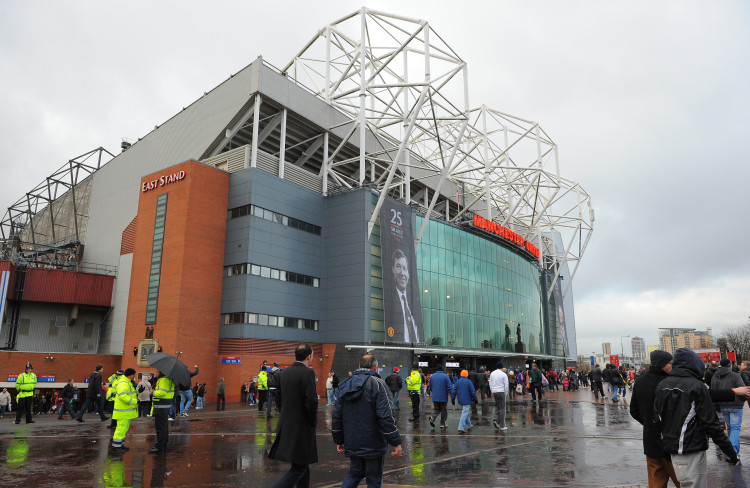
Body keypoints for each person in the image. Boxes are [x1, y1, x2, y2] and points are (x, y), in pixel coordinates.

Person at [654, 348, 738, 487]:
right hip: (691, 448)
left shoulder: (662, 385)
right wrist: (731, 452)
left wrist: (664, 445)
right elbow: (711, 423)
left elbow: (656, 419)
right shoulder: (697, 386)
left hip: (673, 449)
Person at [332, 353, 402, 487]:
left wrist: (339, 439)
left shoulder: (346, 384)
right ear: (375, 368)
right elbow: (386, 417)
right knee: (374, 478)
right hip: (374, 443)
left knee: (355, 473)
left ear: (359, 366)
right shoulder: (378, 384)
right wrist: (396, 442)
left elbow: (337, 415)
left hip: (352, 441)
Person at [269, 344, 318, 488]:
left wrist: (285, 414)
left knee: (302, 463)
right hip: (301, 427)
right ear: (308, 356)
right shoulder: (308, 373)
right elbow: (311, 401)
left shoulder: (284, 372)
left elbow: (278, 398)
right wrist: (312, 421)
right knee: (299, 467)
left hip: (286, 424)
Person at [629, 350, 680, 488]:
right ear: (661, 364)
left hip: (650, 440)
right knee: (683, 481)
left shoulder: (640, 381)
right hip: (671, 441)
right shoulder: (670, 382)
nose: (672, 365)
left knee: (656, 482)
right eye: (670, 363)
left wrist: (649, 422)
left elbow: (634, 410)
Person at [385, 249, 422, 343]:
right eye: (398, 267)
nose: (402, 273)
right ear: (393, 269)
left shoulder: (414, 304)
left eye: (404, 268)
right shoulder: (389, 302)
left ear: (408, 274)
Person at [711, 358, 745, 456]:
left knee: (730, 428)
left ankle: (731, 450)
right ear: (730, 366)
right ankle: (733, 451)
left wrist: (717, 406)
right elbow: (743, 390)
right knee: (735, 428)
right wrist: (743, 400)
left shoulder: (715, 376)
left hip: (723, 405)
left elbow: (713, 393)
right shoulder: (735, 376)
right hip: (735, 405)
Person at [149, 369, 175, 454]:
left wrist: (153, 392)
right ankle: (162, 445)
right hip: (163, 407)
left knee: (160, 428)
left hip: (160, 407)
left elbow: (162, 392)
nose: (156, 373)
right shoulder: (168, 379)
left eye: (157, 372)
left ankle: (159, 447)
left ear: (161, 372)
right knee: (163, 428)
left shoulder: (163, 380)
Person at [112, 368, 138, 452]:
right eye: (134, 375)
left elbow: (130, 394)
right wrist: (135, 401)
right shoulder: (124, 383)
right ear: (130, 375)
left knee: (123, 429)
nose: (134, 376)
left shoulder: (127, 382)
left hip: (125, 411)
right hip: (123, 411)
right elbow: (122, 396)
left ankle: (120, 445)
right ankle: (116, 446)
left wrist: (139, 392)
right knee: (121, 429)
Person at [427, 365, 452, 429]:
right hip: (443, 397)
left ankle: (432, 418)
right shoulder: (445, 376)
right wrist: (452, 395)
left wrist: (433, 392)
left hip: (435, 396)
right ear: (442, 369)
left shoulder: (432, 376)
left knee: (436, 409)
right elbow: (449, 387)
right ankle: (442, 423)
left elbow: (430, 386)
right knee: (443, 410)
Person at [489, 361, 509, 431]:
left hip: (494, 391)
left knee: (497, 406)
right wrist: (505, 393)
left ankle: (496, 419)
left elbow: (490, 383)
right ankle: (502, 425)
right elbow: (506, 385)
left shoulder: (492, 373)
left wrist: (492, 391)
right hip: (501, 391)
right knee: (502, 408)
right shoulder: (504, 374)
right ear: (502, 367)